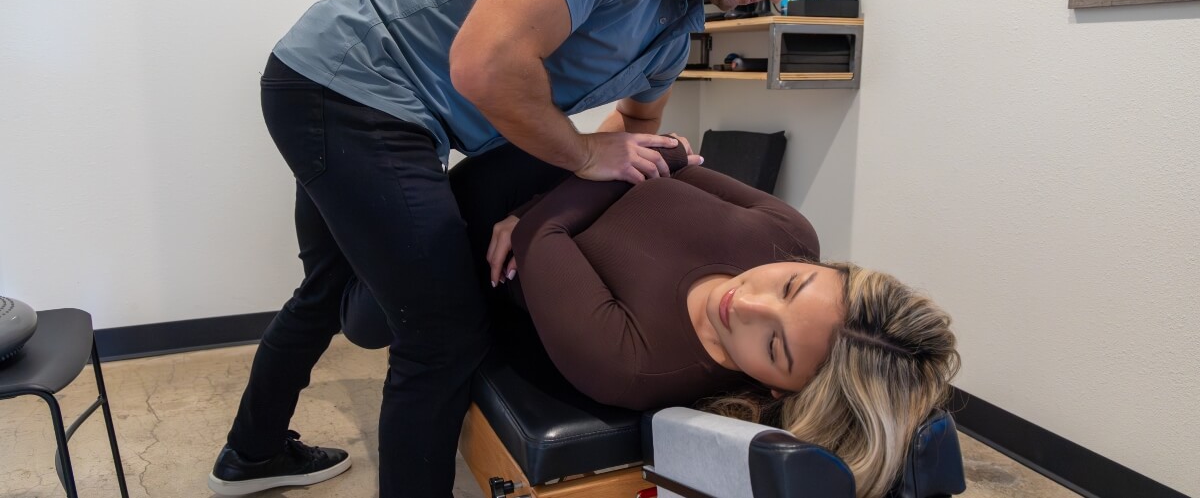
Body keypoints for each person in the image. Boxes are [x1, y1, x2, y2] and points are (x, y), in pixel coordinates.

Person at [209, 0, 844, 497]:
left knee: (326, 289)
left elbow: (631, 133)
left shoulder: (674, 35)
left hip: (381, 107)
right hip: (350, 87)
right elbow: (484, 67)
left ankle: (251, 453)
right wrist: (584, 158)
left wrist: (553, 203)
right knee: (444, 338)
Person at [344, 142, 960, 498]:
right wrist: (563, 202)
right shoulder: (792, 236)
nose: (746, 300)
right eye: (792, 284)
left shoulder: (632, 364)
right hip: (524, 165)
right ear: (830, 268)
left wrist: (558, 207)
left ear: (778, 389)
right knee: (358, 236)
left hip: (480, 241)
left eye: (773, 346)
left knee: (360, 322)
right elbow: (671, 153)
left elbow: (544, 235)